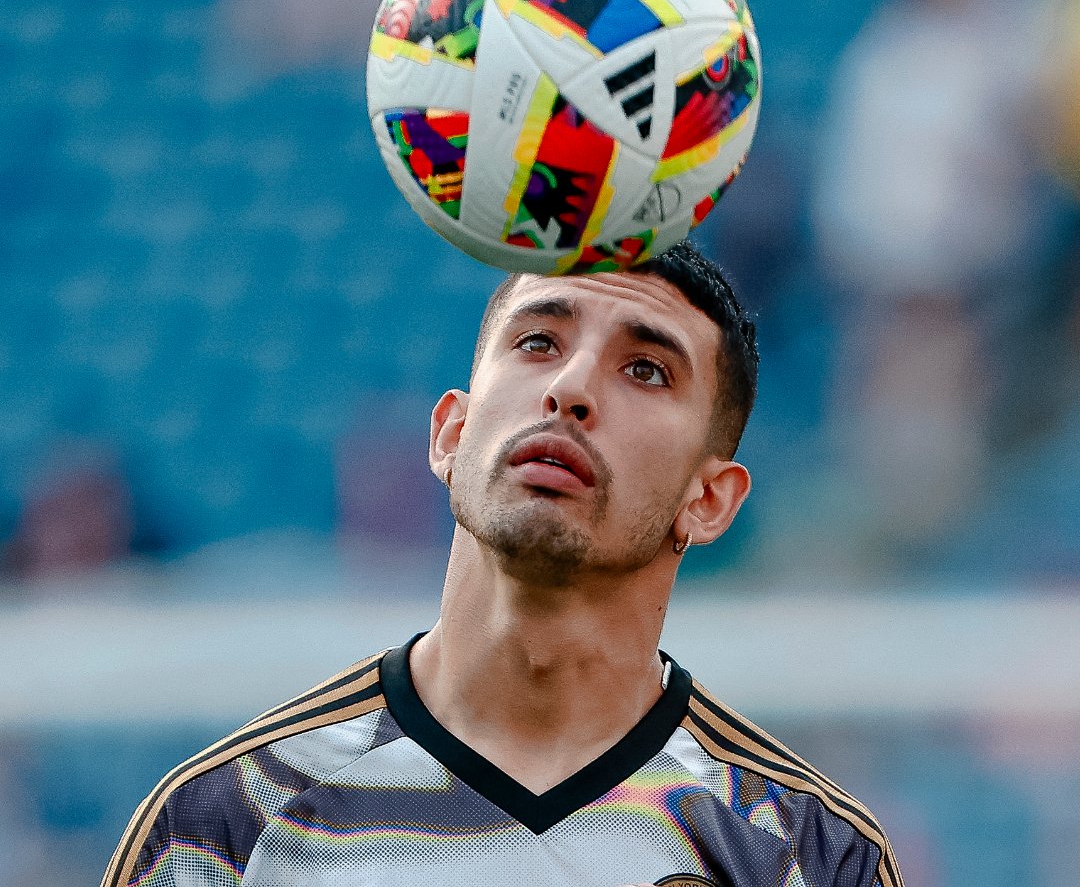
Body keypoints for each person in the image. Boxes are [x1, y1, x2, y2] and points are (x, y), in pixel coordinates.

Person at [101, 241, 903, 887]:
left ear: (711, 500)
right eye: (538, 341)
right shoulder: (226, 826)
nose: (570, 386)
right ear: (451, 434)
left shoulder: (805, 854)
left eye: (645, 369)